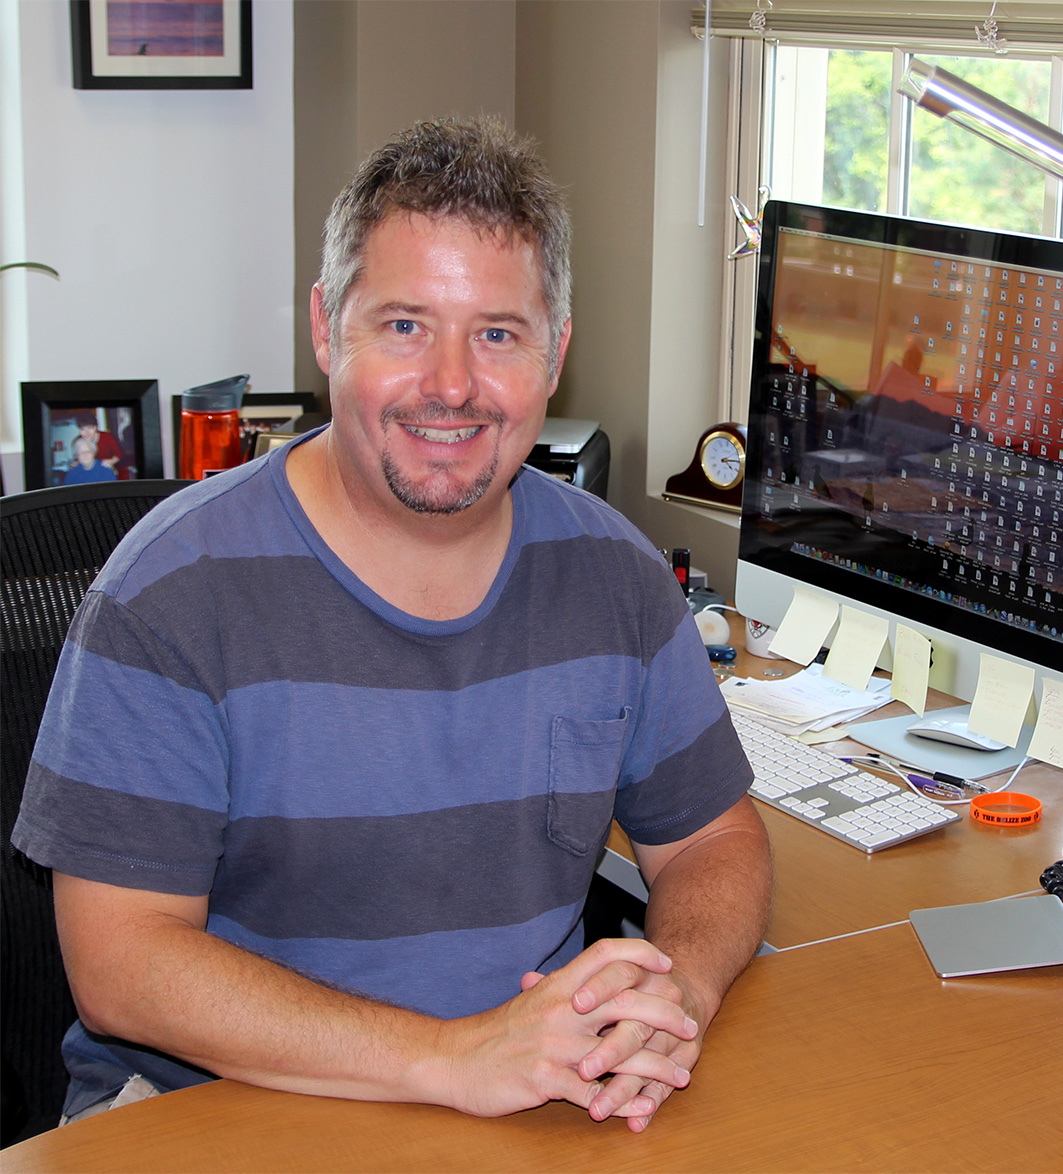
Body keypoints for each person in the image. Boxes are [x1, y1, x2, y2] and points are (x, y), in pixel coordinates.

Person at [13, 118, 772, 1132]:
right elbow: (121, 962)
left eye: (497, 334)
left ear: (555, 353)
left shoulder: (614, 576)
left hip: (524, 1105)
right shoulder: (172, 592)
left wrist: (675, 995)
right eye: (405, 325)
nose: (451, 385)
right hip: (217, 1113)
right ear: (328, 330)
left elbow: (714, 841)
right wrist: (454, 1056)